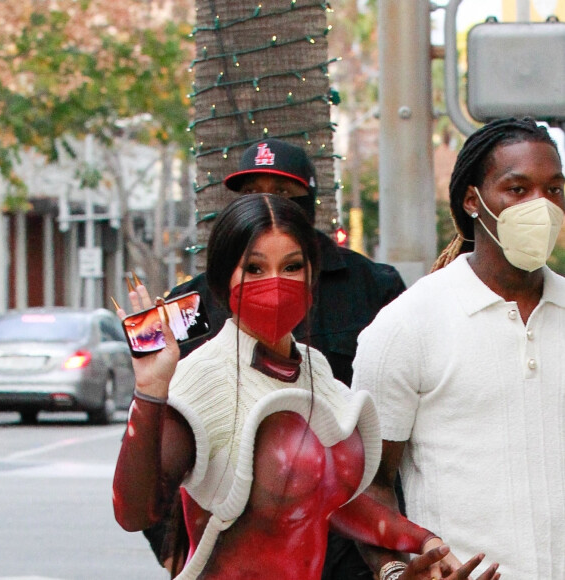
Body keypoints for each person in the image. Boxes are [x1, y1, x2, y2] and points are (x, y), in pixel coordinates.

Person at [112, 194, 500, 580]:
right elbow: (134, 513)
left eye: (292, 266)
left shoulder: (313, 368)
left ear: (313, 275)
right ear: (222, 277)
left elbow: (330, 499)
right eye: (255, 268)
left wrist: (425, 544)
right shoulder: (200, 377)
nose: (276, 284)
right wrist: (150, 389)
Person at [145, 138, 408, 579]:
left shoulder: (374, 286)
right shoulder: (190, 301)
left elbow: (394, 431)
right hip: (240, 543)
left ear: (309, 203)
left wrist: (392, 556)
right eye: (251, 194)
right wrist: (172, 549)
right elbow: (162, 445)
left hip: (347, 545)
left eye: (283, 193)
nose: (266, 204)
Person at [352, 117, 565, 577]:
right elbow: (367, 486)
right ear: (472, 200)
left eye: (554, 190)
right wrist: (393, 571)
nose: (541, 206)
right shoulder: (407, 325)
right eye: (518, 189)